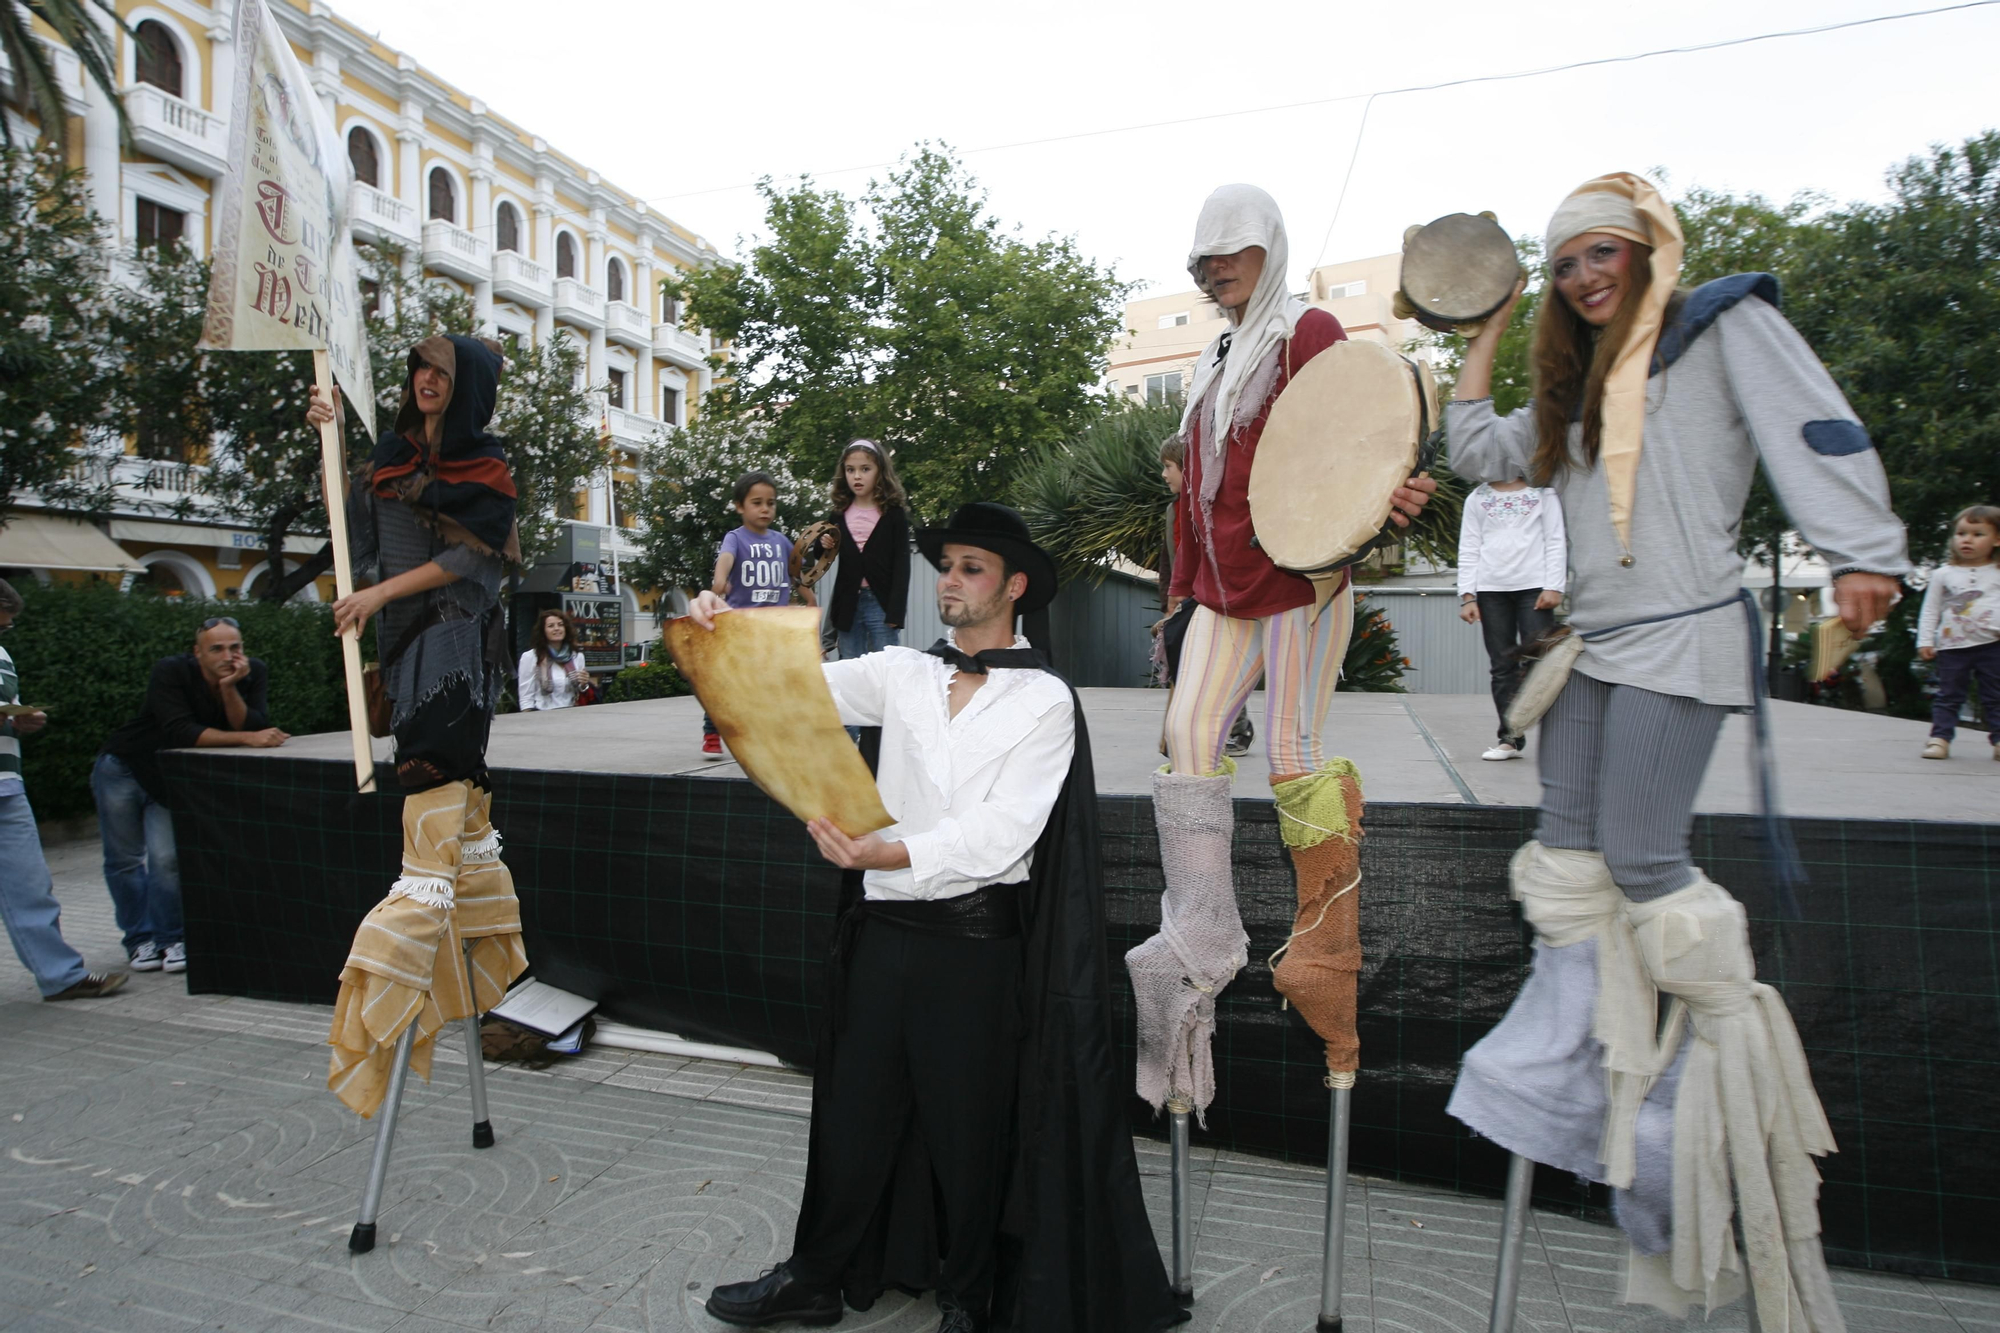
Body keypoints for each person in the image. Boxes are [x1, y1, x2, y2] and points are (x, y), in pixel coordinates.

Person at [1443, 172, 1908, 1329]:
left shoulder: (1720, 322)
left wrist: (1859, 548)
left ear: (1646, 247)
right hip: (1596, 649)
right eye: (1562, 265)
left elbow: (1816, 421)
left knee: (1644, 860)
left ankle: (1694, 1105)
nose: (1583, 277)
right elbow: (1474, 450)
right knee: (1565, 858)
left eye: (1599, 253)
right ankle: (1567, 1062)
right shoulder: (1579, 383)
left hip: (1681, 639)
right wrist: (1492, 326)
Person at [693, 502, 1185, 1333]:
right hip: (883, 938)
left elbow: (1004, 833)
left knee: (970, 1134)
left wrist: (892, 854)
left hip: (975, 947)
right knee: (850, 1113)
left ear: (1014, 586)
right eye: (945, 566)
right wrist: (721, 622)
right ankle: (815, 1276)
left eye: (970, 568)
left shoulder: (1045, 700)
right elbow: (788, 677)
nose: (949, 581)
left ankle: (969, 1296)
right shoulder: (903, 672)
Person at [1127, 184, 1436, 1118]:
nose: (1212, 270)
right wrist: (1179, 589)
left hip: (1301, 584)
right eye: (1199, 260)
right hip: (1224, 592)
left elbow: (1359, 442)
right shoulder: (1218, 355)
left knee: (1295, 756)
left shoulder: (1309, 334)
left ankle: (1325, 966)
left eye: (1229, 252)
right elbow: (1196, 496)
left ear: (1269, 247)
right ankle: (1204, 934)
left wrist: (1389, 499)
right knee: (1186, 737)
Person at [306, 334, 528, 1116]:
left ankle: (396, 985)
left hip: (457, 651)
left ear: (465, 387)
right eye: (419, 369)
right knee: (443, 828)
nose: (427, 381)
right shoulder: (392, 455)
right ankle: (450, 977)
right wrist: (329, 440)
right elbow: (355, 533)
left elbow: (475, 565)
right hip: (403, 654)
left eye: (443, 371)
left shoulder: (488, 469)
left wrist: (376, 596)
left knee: (434, 819)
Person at [94, 614, 289, 974]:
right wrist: (247, 738)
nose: (227, 655)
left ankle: (171, 938)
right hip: (125, 767)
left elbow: (252, 723)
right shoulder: (171, 671)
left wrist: (230, 688)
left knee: (167, 859)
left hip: (169, 777)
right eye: (216, 648)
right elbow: (180, 730)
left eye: (235, 647)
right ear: (197, 653)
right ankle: (140, 940)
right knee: (123, 859)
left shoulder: (251, 671)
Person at [0, 579, 126, 1001]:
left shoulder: (1, 654)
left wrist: (21, 720)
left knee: (31, 885)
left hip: (6, 785)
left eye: (7, 627)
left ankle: (61, 977)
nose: (4, 632)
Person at [1456, 475, 1567, 759]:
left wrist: (1554, 585)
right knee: (1502, 665)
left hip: (1535, 589)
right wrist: (1468, 596)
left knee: (1542, 663)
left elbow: (1556, 540)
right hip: (1491, 590)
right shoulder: (1477, 497)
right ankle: (1510, 738)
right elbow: (1469, 546)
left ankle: (1557, 738)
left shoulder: (1545, 494)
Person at [1155, 435, 1252, 757]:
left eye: (1169, 467)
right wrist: (1170, 598)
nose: (1164, 475)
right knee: (1186, 662)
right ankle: (1192, 732)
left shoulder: (1211, 506)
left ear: (1189, 469)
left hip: (1211, 597)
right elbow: (1170, 559)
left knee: (1217, 663)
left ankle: (1236, 729)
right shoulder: (1173, 510)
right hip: (1185, 599)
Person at [702, 470, 796, 759]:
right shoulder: (736, 537)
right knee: (725, 682)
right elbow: (726, 558)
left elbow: (798, 569)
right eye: (757, 502)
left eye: (771, 502)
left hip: (773, 628)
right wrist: (720, 579)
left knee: (771, 683)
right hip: (740, 626)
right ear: (740, 506)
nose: (765, 508)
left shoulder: (781, 541)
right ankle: (712, 732)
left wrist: (808, 596)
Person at [1916, 503, 2000, 760]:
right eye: (1961, 533)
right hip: (1953, 646)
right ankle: (1939, 738)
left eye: (1977, 535)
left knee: (1995, 696)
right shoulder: (1943, 574)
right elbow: (1931, 609)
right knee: (1948, 694)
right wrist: (1925, 640)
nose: (1967, 540)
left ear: (1997, 539)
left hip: (1993, 645)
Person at [820, 439, 911, 661]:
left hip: (880, 604)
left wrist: (896, 612)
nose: (857, 476)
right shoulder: (839, 513)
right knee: (850, 666)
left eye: (865, 469)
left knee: (886, 665)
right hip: (848, 604)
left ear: (880, 472)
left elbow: (902, 565)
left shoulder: (894, 514)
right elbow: (821, 556)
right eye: (850, 470)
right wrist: (823, 543)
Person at [517, 608, 591, 711]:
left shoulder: (577, 656)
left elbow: (580, 691)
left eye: (560, 625)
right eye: (551, 626)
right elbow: (525, 697)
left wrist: (584, 684)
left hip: (572, 714)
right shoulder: (531, 657)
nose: (557, 629)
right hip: (543, 716)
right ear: (543, 631)